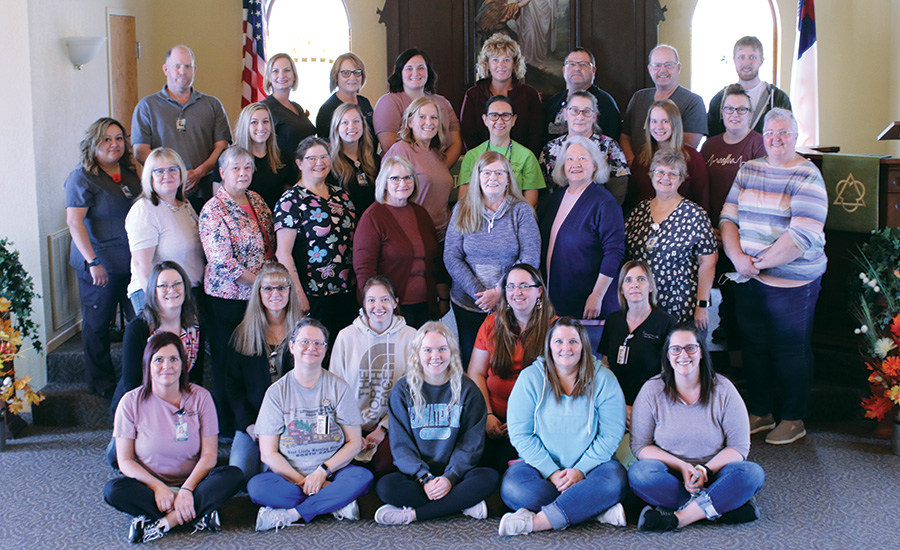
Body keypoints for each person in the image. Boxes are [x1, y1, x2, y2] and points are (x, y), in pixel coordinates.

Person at [720, 108, 828, 445]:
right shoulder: (749, 169)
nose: (776, 139)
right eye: (770, 133)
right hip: (749, 276)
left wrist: (756, 263)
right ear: (761, 136)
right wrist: (737, 257)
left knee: (789, 348)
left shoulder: (807, 175)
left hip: (792, 282)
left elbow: (802, 236)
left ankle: (794, 418)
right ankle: (762, 412)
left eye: (784, 133)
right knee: (753, 347)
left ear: (796, 137)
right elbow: (728, 217)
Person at [104, 332, 243, 543]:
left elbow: (209, 455)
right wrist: (158, 487)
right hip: (151, 486)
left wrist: (186, 489)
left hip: (194, 482)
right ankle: (197, 515)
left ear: (183, 365)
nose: (166, 366)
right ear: (148, 365)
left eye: (173, 359)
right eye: (158, 359)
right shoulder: (130, 402)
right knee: (113, 491)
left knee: (233, 475)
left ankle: (162, 522)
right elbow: (124, 460)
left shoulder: (201, 398)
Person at [498, 317, 628, 536]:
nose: (565, 348)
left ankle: (536, 522)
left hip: (593, 468)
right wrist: (552, 472)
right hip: (541, 469)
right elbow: (521, 435)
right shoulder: (530, 378)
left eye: (573, 342)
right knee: (513, 488)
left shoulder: (604, 379)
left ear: (583, 345)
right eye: (558, 341)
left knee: (614, 481)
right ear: (549, 346)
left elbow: (610, 435)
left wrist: (580, 471)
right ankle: (593, 509)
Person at [629, 325, 764, 531]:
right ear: (667, 355)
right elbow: (641, 446)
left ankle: (680, 517)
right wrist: (683, 467)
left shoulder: (724, 389)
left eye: (691, 348)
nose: (683, 355)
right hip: (672, 475)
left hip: (716, 474)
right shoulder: (651, 390)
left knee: (751, 474)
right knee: (640, 474)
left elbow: (739, 447)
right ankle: (720, 507)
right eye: (676, 349)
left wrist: (704, 469)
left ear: (701, 352)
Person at [248, 318, 373, 530]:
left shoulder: (339, 388)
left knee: (362, 477)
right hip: (289, 476)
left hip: (332, 472)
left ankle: (292, 514)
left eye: (318, 343)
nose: (311, 348)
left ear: (325, 350)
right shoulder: (277, 392)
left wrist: (322, 473)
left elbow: (353, 443)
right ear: (292, 347)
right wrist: (305, 481)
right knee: (257, 487)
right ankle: (333, 503)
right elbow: (268, 454)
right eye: (305, 342)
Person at [374, 322, 499, 525]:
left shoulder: (468, 390)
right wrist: (425, 478)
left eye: (442, 349)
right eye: (428, 350)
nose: (436, 356)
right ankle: (461, 503)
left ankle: (413, 515)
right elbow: (401, 445)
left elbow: (471, 444)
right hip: (419, 478)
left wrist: (450, 478)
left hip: (457, 475)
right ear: (417, 354)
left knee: (488, 477)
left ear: (452, 352)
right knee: (386, 487)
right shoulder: (402, 391)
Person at [199, 145, 276, 434]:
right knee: (227, 362)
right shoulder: (212, 210)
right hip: (227, 299)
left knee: (254, 359)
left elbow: (270, 242)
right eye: (236, 168)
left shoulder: (256, 199)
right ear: (222, 172)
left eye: (247, 168)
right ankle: (228, 427)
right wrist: (262, 284)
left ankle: (254, 420)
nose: (243, 173)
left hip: (259, 297)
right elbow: (222, 262)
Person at [65, 117, 141, 398]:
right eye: (107, 139)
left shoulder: (130, 173)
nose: (114, 144)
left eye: (119, 138)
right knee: (97, 327)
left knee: (139, 323)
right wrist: (93, 262)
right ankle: (102, 384)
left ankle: (135, 382)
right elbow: (74, 223)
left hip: (132, 265)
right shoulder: (82, 177)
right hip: (100, 265)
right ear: (93, 143)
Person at [444, 151, 541, 367]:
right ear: (477, 177)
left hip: (510, 306)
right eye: (486, 172)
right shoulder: (462, 209)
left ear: (508, 178)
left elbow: (530, 257)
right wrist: (480, 293)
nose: (493, 178)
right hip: (468, 305)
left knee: (505, 366)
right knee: (471, 365)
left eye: (499, 172)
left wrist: (500, 292)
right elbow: (451, 256)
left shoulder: (521, 211)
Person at [468, 264, 557, 472]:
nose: (517, 292)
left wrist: (527, 421)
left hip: (537, 423)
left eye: (525, 286)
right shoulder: (491, 324)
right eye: (511, 286)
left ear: (539, 291)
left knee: (511, 468)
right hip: (494, 419)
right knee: (478, 464)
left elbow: (563, 383)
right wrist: (488, 415)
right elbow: (476, 373)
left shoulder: (556, 329)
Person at [274, 136, 357, 353]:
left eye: (324, 157)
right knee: (317, 353)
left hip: (347, 290)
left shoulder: (342, 196)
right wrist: (299, 295)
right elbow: (283, 253)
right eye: (311, 158)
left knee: (344, 353)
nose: (319, 162)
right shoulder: (290, 201)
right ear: (299, 163)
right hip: (314, 294)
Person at [540, 136, 624, 350]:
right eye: (569, 159)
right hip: (557, 298)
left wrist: (597, 294)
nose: (575, 164)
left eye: (582, 158)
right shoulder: (555, 199)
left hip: (589, 302)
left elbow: (614, 252)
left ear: (595, 165)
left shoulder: (604, 202)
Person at [225, 263, 303, 484]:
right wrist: (249, 424)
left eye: (281, 287)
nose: (275, 294)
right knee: (241, 473)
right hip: (254, 420)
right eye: (268, 288)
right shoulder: (242, 333)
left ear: (290, 291)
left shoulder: (304, 331)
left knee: (278, 474)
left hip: (293, 420)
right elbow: (233, 386)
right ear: (258, 293)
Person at [701, 84, 766, 347]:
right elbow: (701, 188)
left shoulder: (758, 144)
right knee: (723, 287)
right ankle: (727, 331)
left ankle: (743, 344)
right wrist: (708, 227)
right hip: (714, 231)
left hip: (746, 232)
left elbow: (761, 193)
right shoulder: (710, 146)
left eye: (741, 109)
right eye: (729, 108)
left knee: (743, 292)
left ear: (751, 114)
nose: (735, 114)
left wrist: (735, 231)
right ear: (721, 113)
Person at [330, 276, 417, 474]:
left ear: (395, 302)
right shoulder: (346, 336)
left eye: (385, 299)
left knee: (386, 466)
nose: (378, 306)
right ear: (363, 303)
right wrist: (351, 431)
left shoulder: (412, 337)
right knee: (345, 467)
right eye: (371, 300)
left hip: (393, 424)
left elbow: (413, 393)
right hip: (349, 425)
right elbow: (334, 389)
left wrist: (383, 428)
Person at [353, 156, 450, 328]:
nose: (402, 183)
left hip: (425, 305)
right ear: (384, 182)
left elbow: (435, 260)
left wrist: (443, 298)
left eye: (408, 177)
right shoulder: (373, 217)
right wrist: (373, 306)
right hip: (389, 309)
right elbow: (364, 269)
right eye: (395, 178)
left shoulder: (421, 213)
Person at [131, 45, 231, 209]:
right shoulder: (147, 106)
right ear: (165, 69)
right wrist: (175, 175)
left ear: (194, 69)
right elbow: (140, 151)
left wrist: (198, 173)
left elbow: (222, 146)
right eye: (176, 66)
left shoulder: (212, 105)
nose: (182, 71)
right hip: (163, 195)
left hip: (205, 193)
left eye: (187, 66)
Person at [625, 149, 717, 327]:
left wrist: (702, 305)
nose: (665, 177)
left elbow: (708, 262)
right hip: (643, 309)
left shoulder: (694, 214)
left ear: (682, 178)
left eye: (672, 173)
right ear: (651, 175)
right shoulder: (638, 212)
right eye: (660, 172)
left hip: (683, 309)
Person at [110, 261, 201, 425]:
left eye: (177, 284)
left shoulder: (194, 327)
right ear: (154, 291)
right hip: (138, 406)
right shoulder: (138, 329)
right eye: (163, 286)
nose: (172, 290)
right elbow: (132, 384)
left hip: (178, 406)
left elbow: (194, 380)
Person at [125, 148, 204, 314]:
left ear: (181, 174)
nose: (167, 175)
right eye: (159, 171)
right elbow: (142, 264)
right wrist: (157, 306)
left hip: (185, 292)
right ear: (149, 176)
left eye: (172, 169)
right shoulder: (145, 210)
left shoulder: (184, 205)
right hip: (157, 296)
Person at [598, 260, 676, 409]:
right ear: (621, 289)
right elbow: (605, 365)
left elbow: (669, 375)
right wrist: (617, 404)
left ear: (651, 286)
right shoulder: (613, 321)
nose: (635, 285)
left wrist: (640, 409)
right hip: (615, 403)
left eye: (641, 279)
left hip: (652, 405)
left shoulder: (667, 323)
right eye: (628, 280)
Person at [373, 48, 462, 167]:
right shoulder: (388, 102)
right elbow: (390, 147)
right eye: (409, 68)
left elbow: (456, 143)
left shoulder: (443, 103)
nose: (416, 73)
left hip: (440, 170)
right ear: (400, 73)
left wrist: (439, 170)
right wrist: (423, 173)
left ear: (428, 72)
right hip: (402, 174)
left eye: (421, 68)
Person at [540, 90, 630, 204]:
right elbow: (544, 191)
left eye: (586, 111)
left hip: (599, 212)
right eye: (574, 111)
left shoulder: (609, 146)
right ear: (565, 114)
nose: (580, 116)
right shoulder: (550, 148)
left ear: (594, 116)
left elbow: (618, 191)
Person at [460, 33, 543, 156]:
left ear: (514, 63)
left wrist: (522, 161)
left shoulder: (530, 95)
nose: (501, 65)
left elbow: (536, 136)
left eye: (506, 60)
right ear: (487, 63)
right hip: (482, 163)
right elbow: (468, 135)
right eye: (495, 60)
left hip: (521, 163)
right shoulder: (473, 95)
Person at [620, 45, 706, 163]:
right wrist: (632, 162)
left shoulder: (693, 102)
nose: (662, 70)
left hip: (670, 174)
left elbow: (687, 146)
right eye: (657, 65)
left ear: (678, 67)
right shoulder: (638, 97)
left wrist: (658, 171)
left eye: (668, 64)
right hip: (637, 170)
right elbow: (625, 136)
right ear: (650, 69)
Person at [383, 96, 455, 237]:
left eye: (434, 118)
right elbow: (386, 196)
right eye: (422, 117)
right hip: (412, 233)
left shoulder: (438, 155)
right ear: (410, 122)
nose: (429, 122)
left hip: (441, 235)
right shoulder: (401, 150)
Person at [457, 95, 545, 208]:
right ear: (485, 119)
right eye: (494, 115)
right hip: (479, 220)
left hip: (515, 221)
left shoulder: (526, 156)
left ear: (514, 120)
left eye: (506, 115)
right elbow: (464, 200)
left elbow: (531, 203)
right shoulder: (472, 156)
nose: (499, 120)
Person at [626, 99, 709, 211]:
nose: (659, 127)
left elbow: (703, 201)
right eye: (654, 121)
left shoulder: (693, 158)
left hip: (683, 223)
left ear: (675, 123)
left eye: (665, 121)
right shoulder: (641, 157)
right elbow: (631, 198)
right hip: (644, 222)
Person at [707, 36, 792, 137]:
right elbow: (713, 140)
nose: (746, 62)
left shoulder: (777, 98)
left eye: (752, 57)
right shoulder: (720, 100)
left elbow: (787, 137)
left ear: (761, 61)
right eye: (741, 57)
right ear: (734, 60)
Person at [544, 47, 622, 147]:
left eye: (583, 64)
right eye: (571, 64)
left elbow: (611, 140)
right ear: (564, 70)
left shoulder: (605, 102)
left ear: (593, 70)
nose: (577, 68)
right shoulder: (554, 101)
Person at [225, 102, 296, 210]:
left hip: (275, 221)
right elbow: (220, 199)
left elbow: (289, 193)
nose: (261, 127)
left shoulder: (282, 157)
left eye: (265, 121)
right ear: (245, 126)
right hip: (241, 222)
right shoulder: (228, 157)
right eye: (254, 122)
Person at [261, 53, 317, 167]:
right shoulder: (264, 109)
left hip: (306, 172)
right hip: (282, 177)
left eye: (287, 70)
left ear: (294, 76)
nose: (281, 75)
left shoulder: (297, 107)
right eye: (275, 71)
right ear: (269, 77)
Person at [329, 102, 380, 215]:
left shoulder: (374, 159)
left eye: (356, 121)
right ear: (336, 127)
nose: (351, 126)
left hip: (371, 224)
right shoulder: (328, 164)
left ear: (363, 125)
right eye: (345, 123)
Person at [316, 52, 375, 141]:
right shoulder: (327, 109)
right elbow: (325, 147)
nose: (352, 77)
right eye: (346, 73)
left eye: (357, 72)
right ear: (336, 76)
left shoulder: (364, 102)